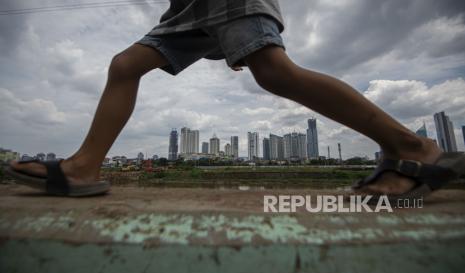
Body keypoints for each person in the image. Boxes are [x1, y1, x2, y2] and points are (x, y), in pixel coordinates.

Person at [7, 0, 464, 200]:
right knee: (125, 65)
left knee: (273, 72)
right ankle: (84, 166)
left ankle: (410, 146)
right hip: (187, 9)